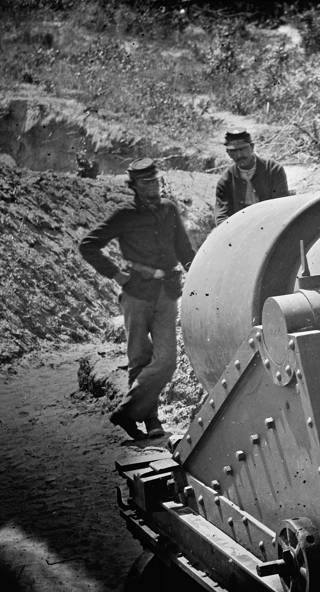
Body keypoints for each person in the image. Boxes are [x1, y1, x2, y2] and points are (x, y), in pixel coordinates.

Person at [79, 158, 195, 441]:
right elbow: (88, 245)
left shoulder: (169, 210)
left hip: (167, 293)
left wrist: (199, 275)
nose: (153, 186)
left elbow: (184, 249)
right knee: (139, 358)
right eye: (146, 183)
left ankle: (127, 412)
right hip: (136, 294)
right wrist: (117, 275)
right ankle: (151, 422)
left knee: (166, 360)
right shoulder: (124, 215)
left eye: (155, 181)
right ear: (134, 186)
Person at [213, 130, 290, 226]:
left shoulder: (273, 170)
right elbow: (221, 216)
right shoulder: (225, 181)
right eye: (233, 151)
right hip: (242, 228)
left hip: (271, 224)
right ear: (228, 153)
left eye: (242, 149)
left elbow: (282, 205)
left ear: (252, 147)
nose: (239, 155)